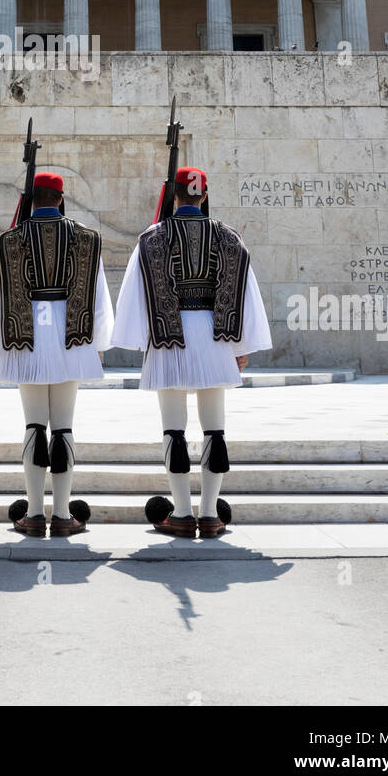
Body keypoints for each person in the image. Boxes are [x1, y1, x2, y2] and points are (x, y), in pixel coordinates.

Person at [110, 166, 271, 539]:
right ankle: (211, 514)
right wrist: (240, 345)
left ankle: (181, 513)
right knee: (215, 428)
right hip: (216, 338)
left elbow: (136, 293)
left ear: (174, 194)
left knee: (174, 429)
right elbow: (244, 291)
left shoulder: (152, 238)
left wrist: (140, 339)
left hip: (170, 337)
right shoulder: (230, 238)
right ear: (204, 193)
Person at [0, 171, 114, 538]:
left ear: (30, 198)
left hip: (26, 337)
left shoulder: (9, 240)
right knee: (64, 426)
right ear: (61, 198)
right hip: (73, 336)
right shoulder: (86, 238)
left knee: (34, 425)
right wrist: (98, 343)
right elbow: (99, 299)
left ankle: (34, 514)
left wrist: (0, 342)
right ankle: (64, 513)